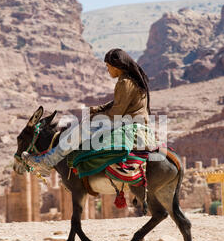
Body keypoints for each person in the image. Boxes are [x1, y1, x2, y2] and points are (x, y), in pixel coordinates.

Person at [22, 48, 152, 175]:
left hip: (126, 124)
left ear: (116, 67)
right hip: (133, 122)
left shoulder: (124, 82)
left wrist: (96, 116)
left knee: (78, 132)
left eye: (108, 66)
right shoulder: (132, 81)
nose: (107, 70)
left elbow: (116, 113)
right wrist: (98, 109)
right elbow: (117, 103)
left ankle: (46, 162)